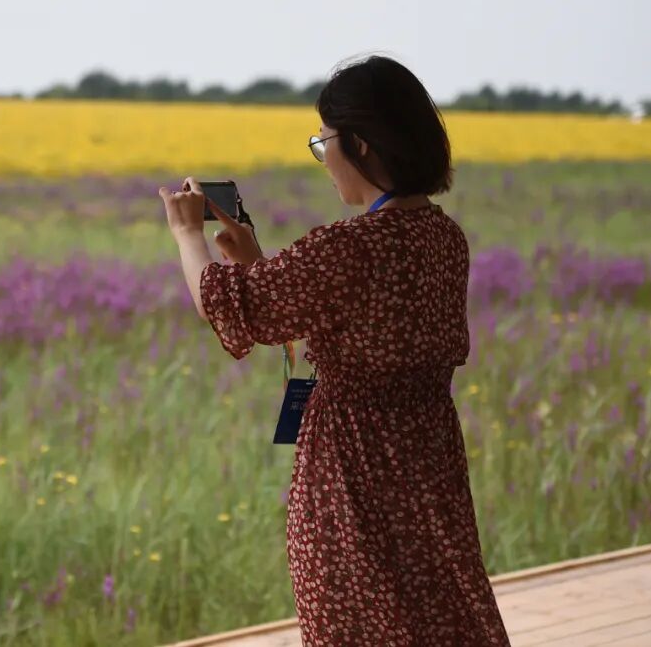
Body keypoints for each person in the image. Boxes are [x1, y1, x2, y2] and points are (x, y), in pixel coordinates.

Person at [158, 53, 511, 646]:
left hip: (353, 472)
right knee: (436, 613)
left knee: (357, 621)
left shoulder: (348, 246)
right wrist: (254, 262)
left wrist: (186, 233)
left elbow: (221, 302)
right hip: (426, 462)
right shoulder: (444, 236)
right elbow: (348, 323)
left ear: (361, 144)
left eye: (324, 144)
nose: (325, 162)